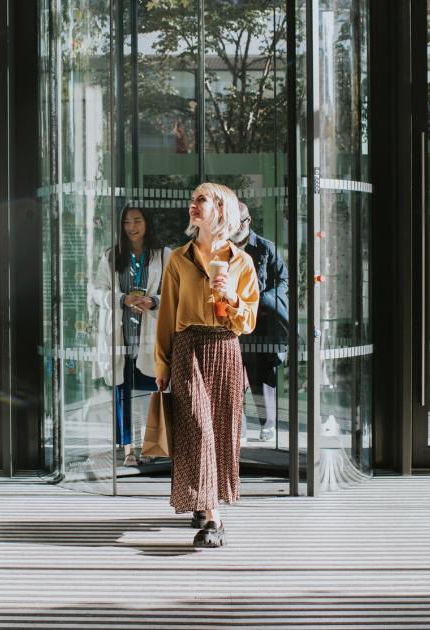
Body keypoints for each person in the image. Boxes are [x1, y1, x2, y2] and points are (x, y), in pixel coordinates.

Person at [154, 182, 259, 548]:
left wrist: (231, 298)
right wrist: (162, 362)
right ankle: (214, 520)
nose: (192, 205)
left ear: (221, 208)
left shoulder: (241, 262)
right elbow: (166, 314)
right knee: (198, 428)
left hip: (225, 348)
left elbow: (248, 322)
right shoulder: (178, 259)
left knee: (221, 431)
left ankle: (205, 501)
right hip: (188, 348)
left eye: (201, 200)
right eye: (193, 199)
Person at [91, 205, 170, 467]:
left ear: (147, 223)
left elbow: (174, 292)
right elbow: (97, 292)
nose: (131, 227)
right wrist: (123, 299)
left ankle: (150, 445)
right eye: (126, 222)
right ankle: (128, 448)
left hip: (150, 334)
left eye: (137, 221)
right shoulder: (113, 255)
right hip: (121, 334)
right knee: (123, 391)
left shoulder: (163, 255)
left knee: (151, 390)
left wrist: (153, 301)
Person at [233, 202, 289, 443]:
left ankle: (268, 424)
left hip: (263, 320)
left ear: (248, 221)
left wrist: (260, 298)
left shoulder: (266, 248)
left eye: (239, 222)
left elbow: (284, 281)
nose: (235, 227)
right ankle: (242, 428)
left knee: (265, 376)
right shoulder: (222, 248)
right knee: (236, 375)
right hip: (234, 319)